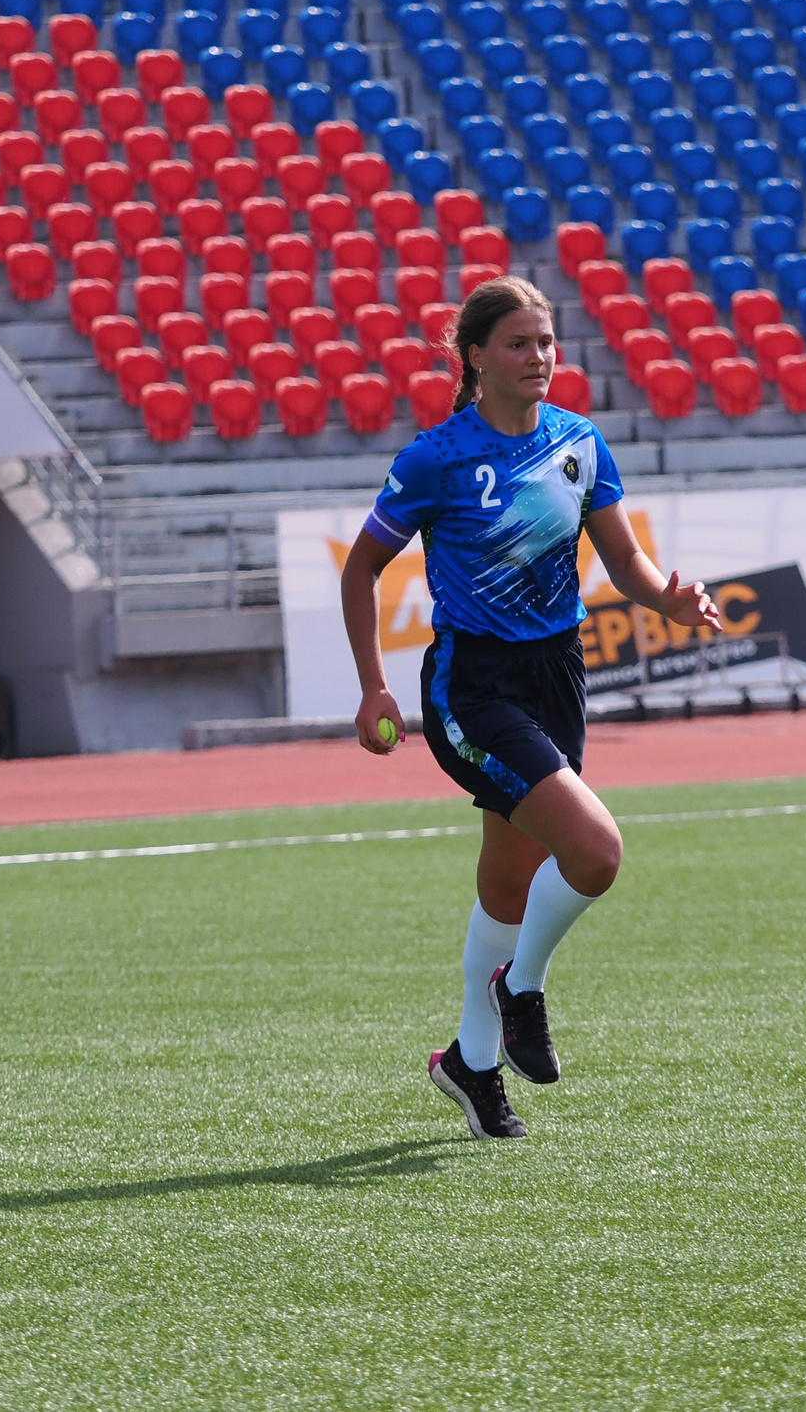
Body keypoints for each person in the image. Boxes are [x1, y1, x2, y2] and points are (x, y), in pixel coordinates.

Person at [339, 276, 722, 1139]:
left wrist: (668, 597)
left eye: (546, 341)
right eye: (519, 343)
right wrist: (372, 684)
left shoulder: (580, 441)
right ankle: (521, 987)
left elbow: (624, 561)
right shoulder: (436, 457)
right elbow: (362, 568)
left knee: (511, 879)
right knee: (595, 851)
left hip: (557, 673)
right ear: (475, 356)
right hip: (473, 686)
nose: (539, 356)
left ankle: (472, 1065)